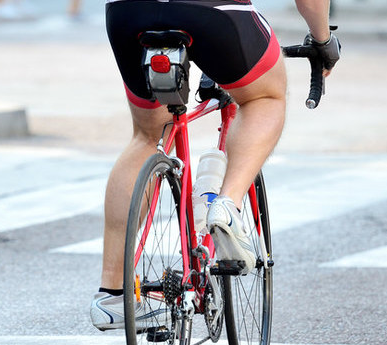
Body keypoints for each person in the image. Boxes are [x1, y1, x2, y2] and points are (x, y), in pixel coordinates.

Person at [90, 0, 340, 331]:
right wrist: (322, 39)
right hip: (213, 11)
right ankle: (228, 205)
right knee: (264, 97)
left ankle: (112, 295)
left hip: (130, 12)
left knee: (148, 136)